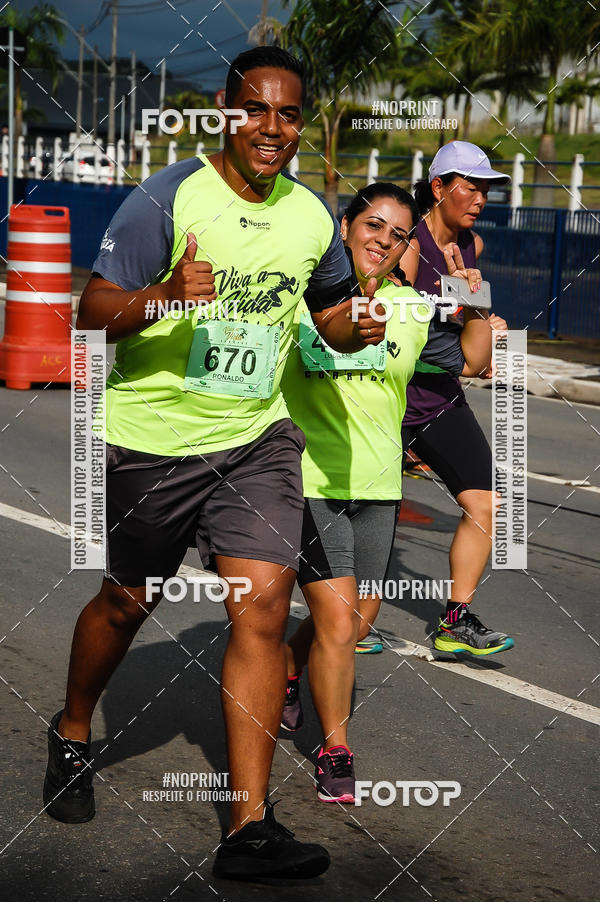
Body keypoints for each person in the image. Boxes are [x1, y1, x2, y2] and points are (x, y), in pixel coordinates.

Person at [42, 46, 386, 882]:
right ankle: (73, 729)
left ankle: (248, 828)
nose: (273, 128)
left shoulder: (311, 216)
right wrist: (165, 293)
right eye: (256, 109)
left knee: (262, 608)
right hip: (154, 438)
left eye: (289, 114)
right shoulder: (168, 196)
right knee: (128, 601)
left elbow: (331, 317)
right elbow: (90, 312)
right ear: (228, 113)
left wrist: (357, 329)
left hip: (257, 438)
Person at [280, 182, 494, 803]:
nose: (383, 241)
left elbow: (472, 362)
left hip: (378, 485)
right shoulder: (303, 298)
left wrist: (473, 301)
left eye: (398, 235)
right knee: (339, 620)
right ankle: (336, 750)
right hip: (313, 481)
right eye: (372, 225)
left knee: (356, 618)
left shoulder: (409, 307)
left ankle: (289, 669)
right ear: (345, 227)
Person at [399, 140, 514, 658]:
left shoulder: (472, 246)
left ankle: (455, 620)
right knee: (363, 516)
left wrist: (483, 323)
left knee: (486, 502)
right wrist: (469, 346)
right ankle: (336, 622)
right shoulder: (407, 243)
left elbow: (470, 342)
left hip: (439, 398)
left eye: (486, 189)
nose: (481, 198)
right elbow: (392, 329)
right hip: (388, 399)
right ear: (439, 187)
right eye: (471, 187)